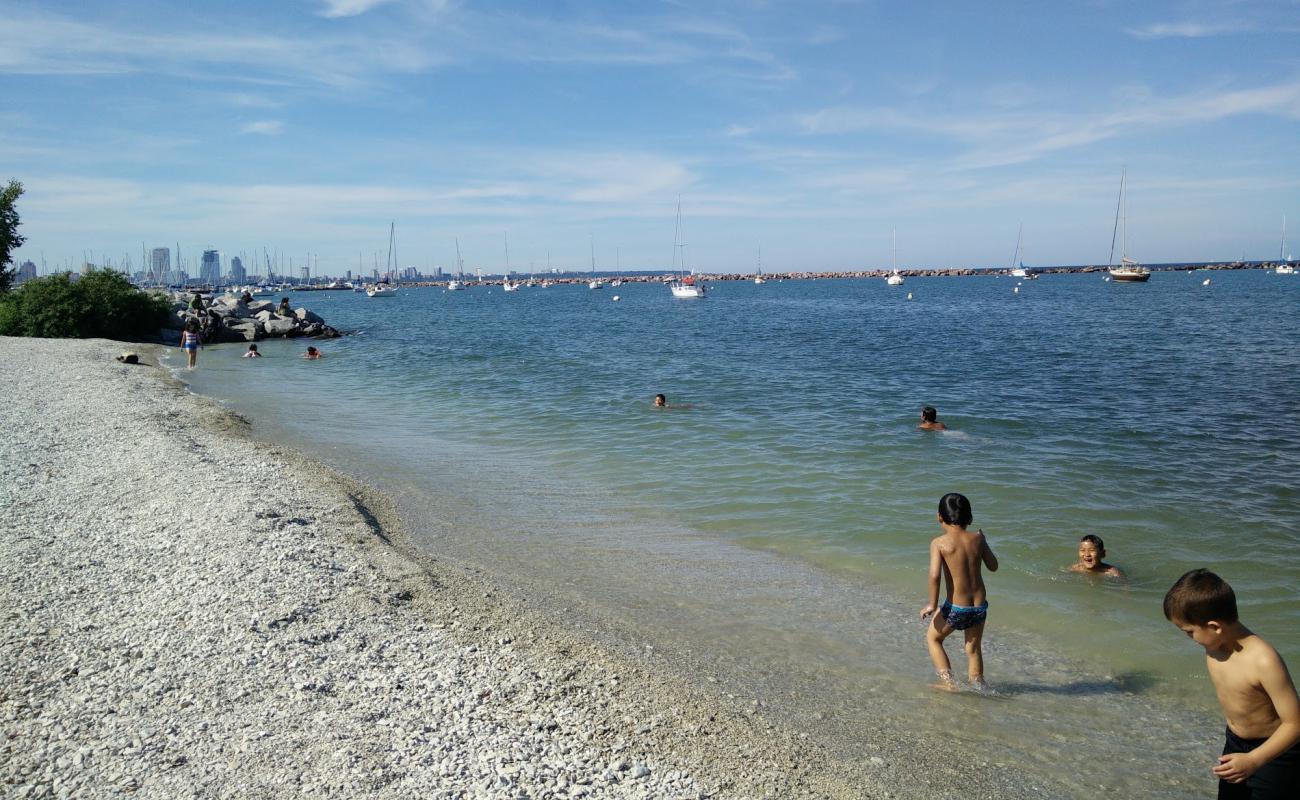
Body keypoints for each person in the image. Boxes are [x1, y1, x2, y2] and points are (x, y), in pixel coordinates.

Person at [1164, 569, 1299, 797]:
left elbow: (1295, 724)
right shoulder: (1214, 646)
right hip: (1235, 742)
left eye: (1189, 632)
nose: (1188, 638)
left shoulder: (1263, 660)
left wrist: (1255, 760)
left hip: (1275, 752)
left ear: (1215, 627)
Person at [919, 493, 998, 691]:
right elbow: (993, 566)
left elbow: (934, 576)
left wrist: (932, 604)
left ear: (939, 517)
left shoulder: (939, 543)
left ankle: (949, 683)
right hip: (979, 607)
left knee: (934, 638)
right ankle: (978, 684)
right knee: (973, 648)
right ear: (970, 518)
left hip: (956, 608)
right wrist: (984, 541)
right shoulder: (978, 539)